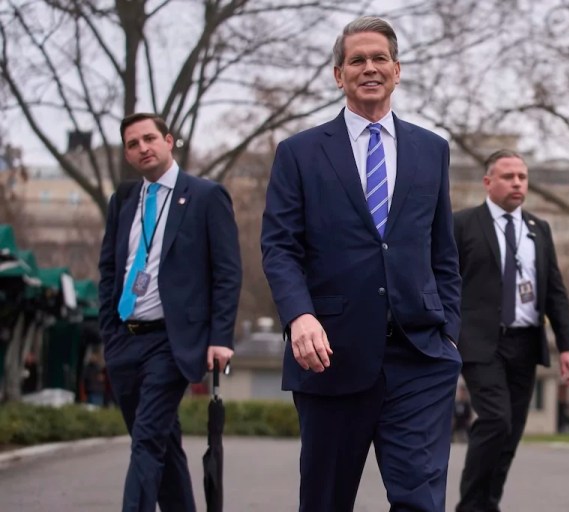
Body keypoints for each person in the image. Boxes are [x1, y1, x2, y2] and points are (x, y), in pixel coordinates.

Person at [261, 16, 462, 512]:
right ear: (338, 74)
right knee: (325, 502)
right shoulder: (299, 154)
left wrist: (449, 334)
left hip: (419, 357)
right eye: (357, 60)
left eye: (379, 59)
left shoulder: (431, 151)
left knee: (421, 502)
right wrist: (299, 315)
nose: (368, 68)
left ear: (397, 70)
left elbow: (443, 252)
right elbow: (279, 246)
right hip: (330, 355)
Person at [98, 112, 242, 512]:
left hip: (172, 341)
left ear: (169, 140)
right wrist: (108, 331)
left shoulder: (205, 196)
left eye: (149, 138)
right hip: (124, 340)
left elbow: (227, 273)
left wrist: (220, 338)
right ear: (127, 154)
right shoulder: (124, 199)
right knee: (162, 444)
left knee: (146, 439)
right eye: (132, 144)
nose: (142, 148)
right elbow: (110, 268)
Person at [453, 150, 569, 512]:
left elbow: (555, 291)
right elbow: (443, 281)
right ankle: (470, 505)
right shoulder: (462, 225)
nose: (517, 183)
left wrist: (568, 346)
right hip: (481, 343)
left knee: (510, 433)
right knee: (495, 419)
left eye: (522, 177)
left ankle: (488, 503)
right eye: (508, 176)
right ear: (488, 182)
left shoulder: (539, 229)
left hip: (525, 343)